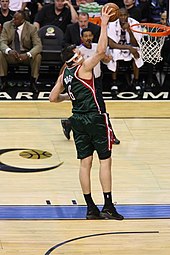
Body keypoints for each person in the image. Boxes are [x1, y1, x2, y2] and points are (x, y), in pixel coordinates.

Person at [49, 6, 124, 220]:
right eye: (77, 52)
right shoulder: (84, 68)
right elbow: (101, 51)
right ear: (73, 58)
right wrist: (104, 23)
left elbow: (52, 98)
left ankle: (90, 208)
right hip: (95, 118)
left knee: (85, 163)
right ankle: (108, 205)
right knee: (105, 161)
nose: (81, 53)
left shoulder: (65, 75)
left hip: (78, 121)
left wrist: (68, 97)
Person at [61, 28, 120, 144]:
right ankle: (111, 135)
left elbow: (105, 60)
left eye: (90, 35)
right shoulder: (79, 52)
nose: (88, 38)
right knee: (100, 110)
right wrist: (63, 81)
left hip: (97, 82)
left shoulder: (97, 48)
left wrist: (107, 59)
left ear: (93, 36)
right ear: (81, 38)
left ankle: (69, 123)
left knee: (94, 110)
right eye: (85, 36)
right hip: (84, 84)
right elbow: (66, 67)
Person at [0, 10, 42, 92]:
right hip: (11, 54)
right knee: (0, 54)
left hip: (25, 55)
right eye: (13, 18)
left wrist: (28, 54)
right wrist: (9, 51)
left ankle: (33, 82)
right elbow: (2, 42)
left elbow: (38, 45)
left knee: (37, 56)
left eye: (16, 19)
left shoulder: (31, 28)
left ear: (23, 20)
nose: (13, 20)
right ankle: (3, 81)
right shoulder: (7, 25)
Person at [107, 8, 144, 95]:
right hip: (118, 47)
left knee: (137, 53)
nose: (123, 17)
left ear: (128, 15)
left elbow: (136, 44)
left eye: (125, 15)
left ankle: (136, 81)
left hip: (131, 46)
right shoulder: (112, 25)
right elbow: (111, 44)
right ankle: (114, 82)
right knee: (114, 53)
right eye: (121, 15)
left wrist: (129, 31)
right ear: (117, 16)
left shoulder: (135, 24)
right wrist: (128, 48)